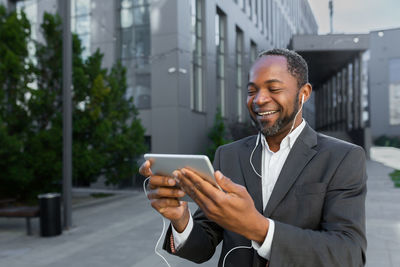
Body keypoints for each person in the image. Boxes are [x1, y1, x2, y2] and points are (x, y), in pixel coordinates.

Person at [140, 48, 367, 267]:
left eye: (274, 89)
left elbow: (348, 254)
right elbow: (203, 247)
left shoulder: (343, 158)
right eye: (251, 91)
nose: (259, 99)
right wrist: (181, 219)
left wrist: (258, 228)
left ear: (304, 93)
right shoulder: (228, 155)